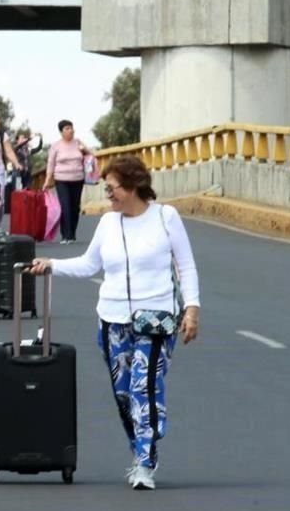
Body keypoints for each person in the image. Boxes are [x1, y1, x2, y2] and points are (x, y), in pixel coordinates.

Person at [30, 155, 201, 491]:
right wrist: (51, 264)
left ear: (134, 185)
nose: (107, 194)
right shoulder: (109, 223)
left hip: (155, 320)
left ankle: (145, 461)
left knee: (144, 387)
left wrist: (192, 309)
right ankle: (140, 446)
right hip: (112, 320)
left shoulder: (166, 218)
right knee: (124, 394)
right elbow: (88, 264)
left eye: (112, 188)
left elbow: (186, 266)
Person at [45, 120, 93, 244]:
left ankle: (72, 234)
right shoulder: (56, 146)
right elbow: (51, 163)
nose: (70, 130)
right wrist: (47, 180)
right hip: (61, 180)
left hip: (78, 178)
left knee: (75, 207)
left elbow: (91, 156)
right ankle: (65, 235)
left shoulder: (78, 143)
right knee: (65, 207)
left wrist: (84, 151)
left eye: (71, 128)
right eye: (67, 128)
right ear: (61, 132)